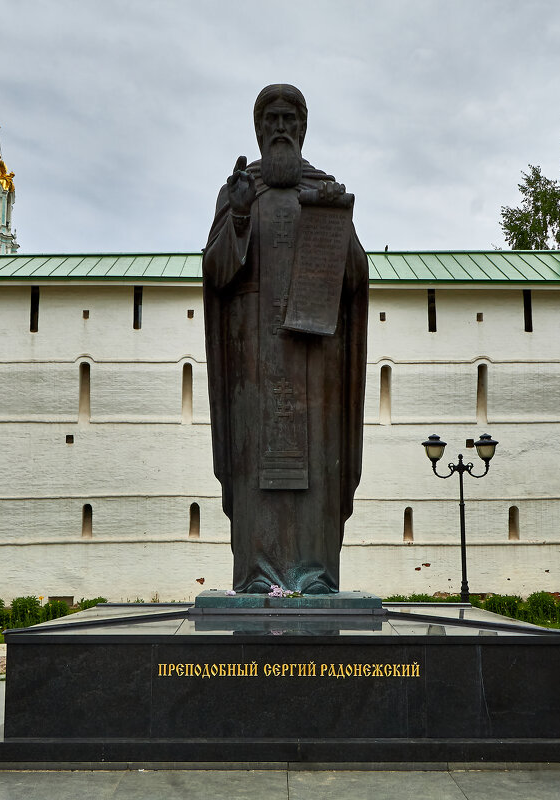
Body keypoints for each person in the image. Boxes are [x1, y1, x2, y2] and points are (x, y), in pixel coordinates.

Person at [203, 84, 368, 594]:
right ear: (258, 129)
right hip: (253, 362)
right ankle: (258, 577)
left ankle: (315, 576)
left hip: (315, 367)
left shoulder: (324, 190)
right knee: (257, 468)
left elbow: (357, 278)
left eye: (289, 119)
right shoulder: (239, 190)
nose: (279, 127)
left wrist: (336, 223)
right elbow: (215, 273)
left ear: (302, 128)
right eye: (270, 118)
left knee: (316, 468)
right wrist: (240, 216)